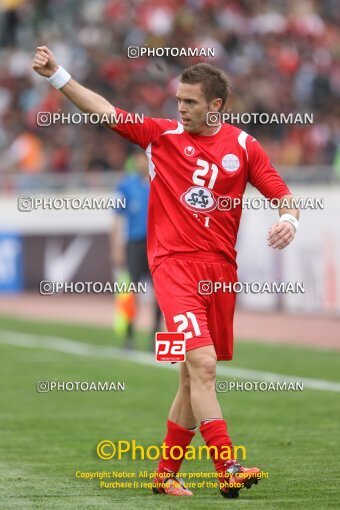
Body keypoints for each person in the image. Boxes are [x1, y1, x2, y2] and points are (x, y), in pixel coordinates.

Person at [32, 47, 299, 499]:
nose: (180, 109)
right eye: (178, 100)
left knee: (190, 378)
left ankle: (164, 475)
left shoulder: (243, 146)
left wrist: (290, 219)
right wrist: (58, 74)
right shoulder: (161, 136)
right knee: (204, 365)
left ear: (216, 106)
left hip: (219, 271)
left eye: (190, 102)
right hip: (173, 267)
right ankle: (227, 466)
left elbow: (278, 189)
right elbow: (104, 110)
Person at [110, 151, 162, 349]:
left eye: (146, 159)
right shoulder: (125, 185)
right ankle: (129, 336)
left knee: (160, 293)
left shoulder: (160, 182)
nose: (142, 162)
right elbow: (117, 217)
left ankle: (155, 336)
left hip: (157, 245)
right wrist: (116, 247)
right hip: (134, 245)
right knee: (131, 291)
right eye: (139, 159)